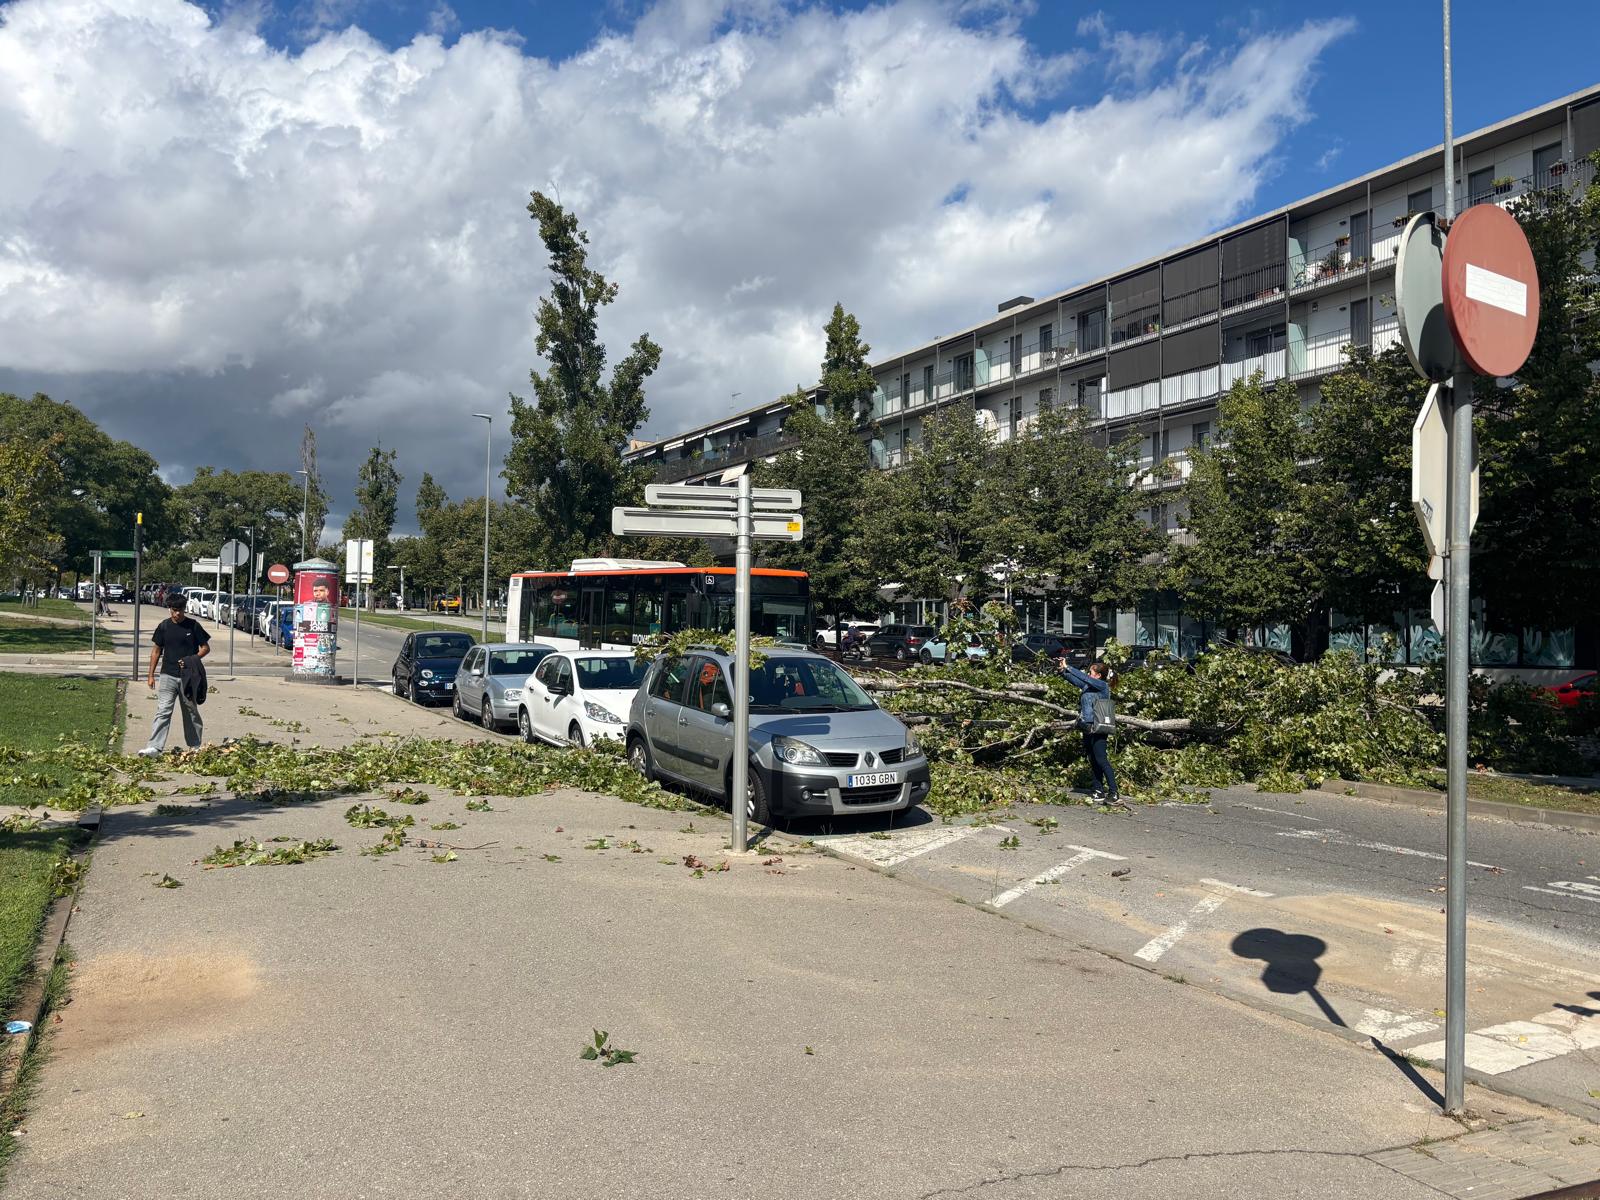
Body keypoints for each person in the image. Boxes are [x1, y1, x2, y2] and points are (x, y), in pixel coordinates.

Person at [137, 592, 210, 757]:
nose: (177, 613)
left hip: (188, 677)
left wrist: (192, 659)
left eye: (180, 610)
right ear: (169, 608)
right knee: (163, 710)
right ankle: (154, 747)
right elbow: (156, 651)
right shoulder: (164, 626)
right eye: (174, 610)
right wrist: (150, 675)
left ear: (184, 609)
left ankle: (195, 746)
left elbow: (205, 648)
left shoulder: (193, 626)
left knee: (190, 711)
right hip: (167, 675)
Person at [1058, 655, 1118, 803]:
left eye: (1091, 672)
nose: (1088, 674)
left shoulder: (1102, 686)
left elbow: (1084, 678)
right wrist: (1062, 671)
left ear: (1098, 675)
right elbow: (1074, 680)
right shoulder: (1087, 686)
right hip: (1087, 727)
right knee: (1093, 759)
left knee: (1101, 760)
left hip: (1098, 727)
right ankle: (1098, 790)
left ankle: (1114, 792)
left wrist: (1068, 666)